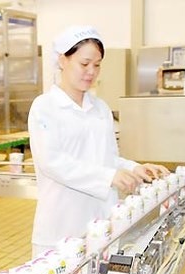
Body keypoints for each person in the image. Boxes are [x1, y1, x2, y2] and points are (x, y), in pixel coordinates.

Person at [28, 25, 169, 257]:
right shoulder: (45, 107)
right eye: (84, 64)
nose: (91, 72)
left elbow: (108, 158)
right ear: (63, 60)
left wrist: (136, 168)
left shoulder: (100, 108)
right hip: (61, 224)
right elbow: (51, 161)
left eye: (97, 65)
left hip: (101, 225)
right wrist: (108, 176)